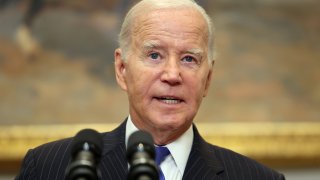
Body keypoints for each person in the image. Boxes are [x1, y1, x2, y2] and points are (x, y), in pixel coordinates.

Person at [15, 0, 285, 179]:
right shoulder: (49, 167)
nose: (172, 75)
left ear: (208, 79)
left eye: (189, 59)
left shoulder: (257, 178)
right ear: (122, 69)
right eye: (154, 55)